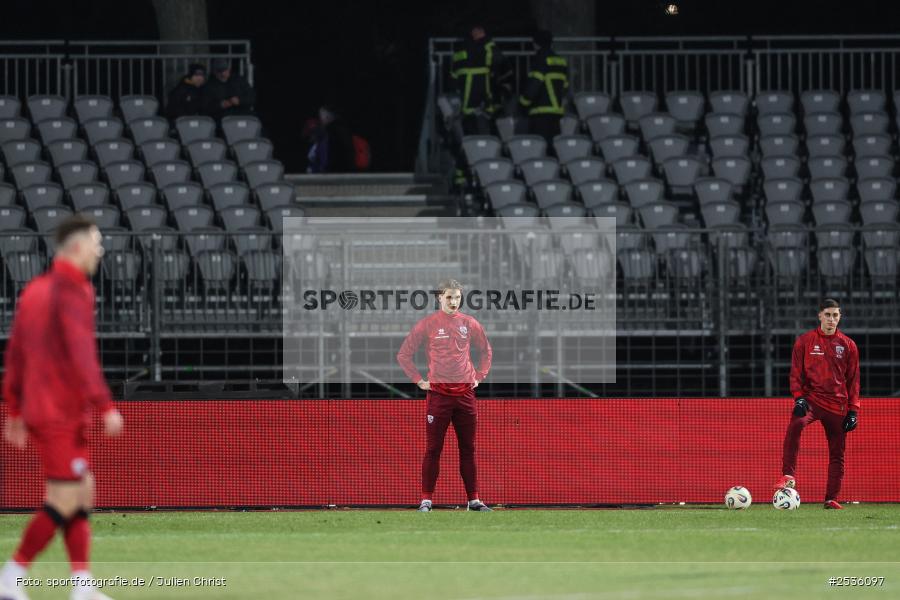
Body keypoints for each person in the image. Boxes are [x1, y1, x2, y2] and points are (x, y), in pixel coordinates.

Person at [0, 215, 124, 600]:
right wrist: (105, 404)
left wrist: (14, 409)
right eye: (96, 243)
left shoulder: (34, 291)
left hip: (46, 409)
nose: (100, 251)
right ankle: (12, 574)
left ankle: (82, 584)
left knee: (83, 490)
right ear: (76, 247)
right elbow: (81, 352)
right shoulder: (74, 290)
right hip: (58, 412)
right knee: (65, 497)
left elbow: (16, 353)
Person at [396, 279, 493, 512]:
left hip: (465, 396)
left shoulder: (469, 323)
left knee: (468, 448)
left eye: (457, 297)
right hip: (438, 396)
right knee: (433, 449)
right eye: (449, 297)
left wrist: (480, 375)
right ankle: (426, 500)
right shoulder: (428, 324)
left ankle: (474, 500)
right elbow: (404, 354)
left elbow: (486, 350)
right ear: (439, 298)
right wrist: (418, 380)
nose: (453, 301)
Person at [776, 298, 860, 510]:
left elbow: (853, 381)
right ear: (820, 315)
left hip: (838, 406)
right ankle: (788, 476)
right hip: (812, 400)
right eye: (828, 315)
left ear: (839, 317)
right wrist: (799, 397)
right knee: (796, 424)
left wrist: (853, 411)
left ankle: (831, 498)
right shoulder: (804, 341)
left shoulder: (848, 345)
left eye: (836, 315)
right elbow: (796, 373)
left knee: (837, 453)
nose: (832, 319)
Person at [450, 23, 512, 136]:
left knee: (469, 118)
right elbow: (499, 60)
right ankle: (491, 143)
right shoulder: (486, 44)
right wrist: (495, 73)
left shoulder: (458, 49)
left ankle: (469, 145)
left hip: (465, 92)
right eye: (482, 32)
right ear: (476, 33)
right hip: (482, 88)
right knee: (489, 113)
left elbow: (453, 74)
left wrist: (457, 88)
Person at [518, 30, 569, 145]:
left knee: (539, 150)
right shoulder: (562, 61)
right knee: (553, 149)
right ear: (551, 43)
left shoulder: (539, 59)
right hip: (556, 114)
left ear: (535, 44)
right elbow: (565, 87)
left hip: (540, 114)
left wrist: (522, 104)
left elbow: (533, 86)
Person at [315, 105, 356, 173]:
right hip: (347, 173)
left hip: (334, 175)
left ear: (328, 116)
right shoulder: (345, 130)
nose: (320, 118)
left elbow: (326, 157)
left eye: (321, 115)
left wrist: (324, 172)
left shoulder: (329, 132)